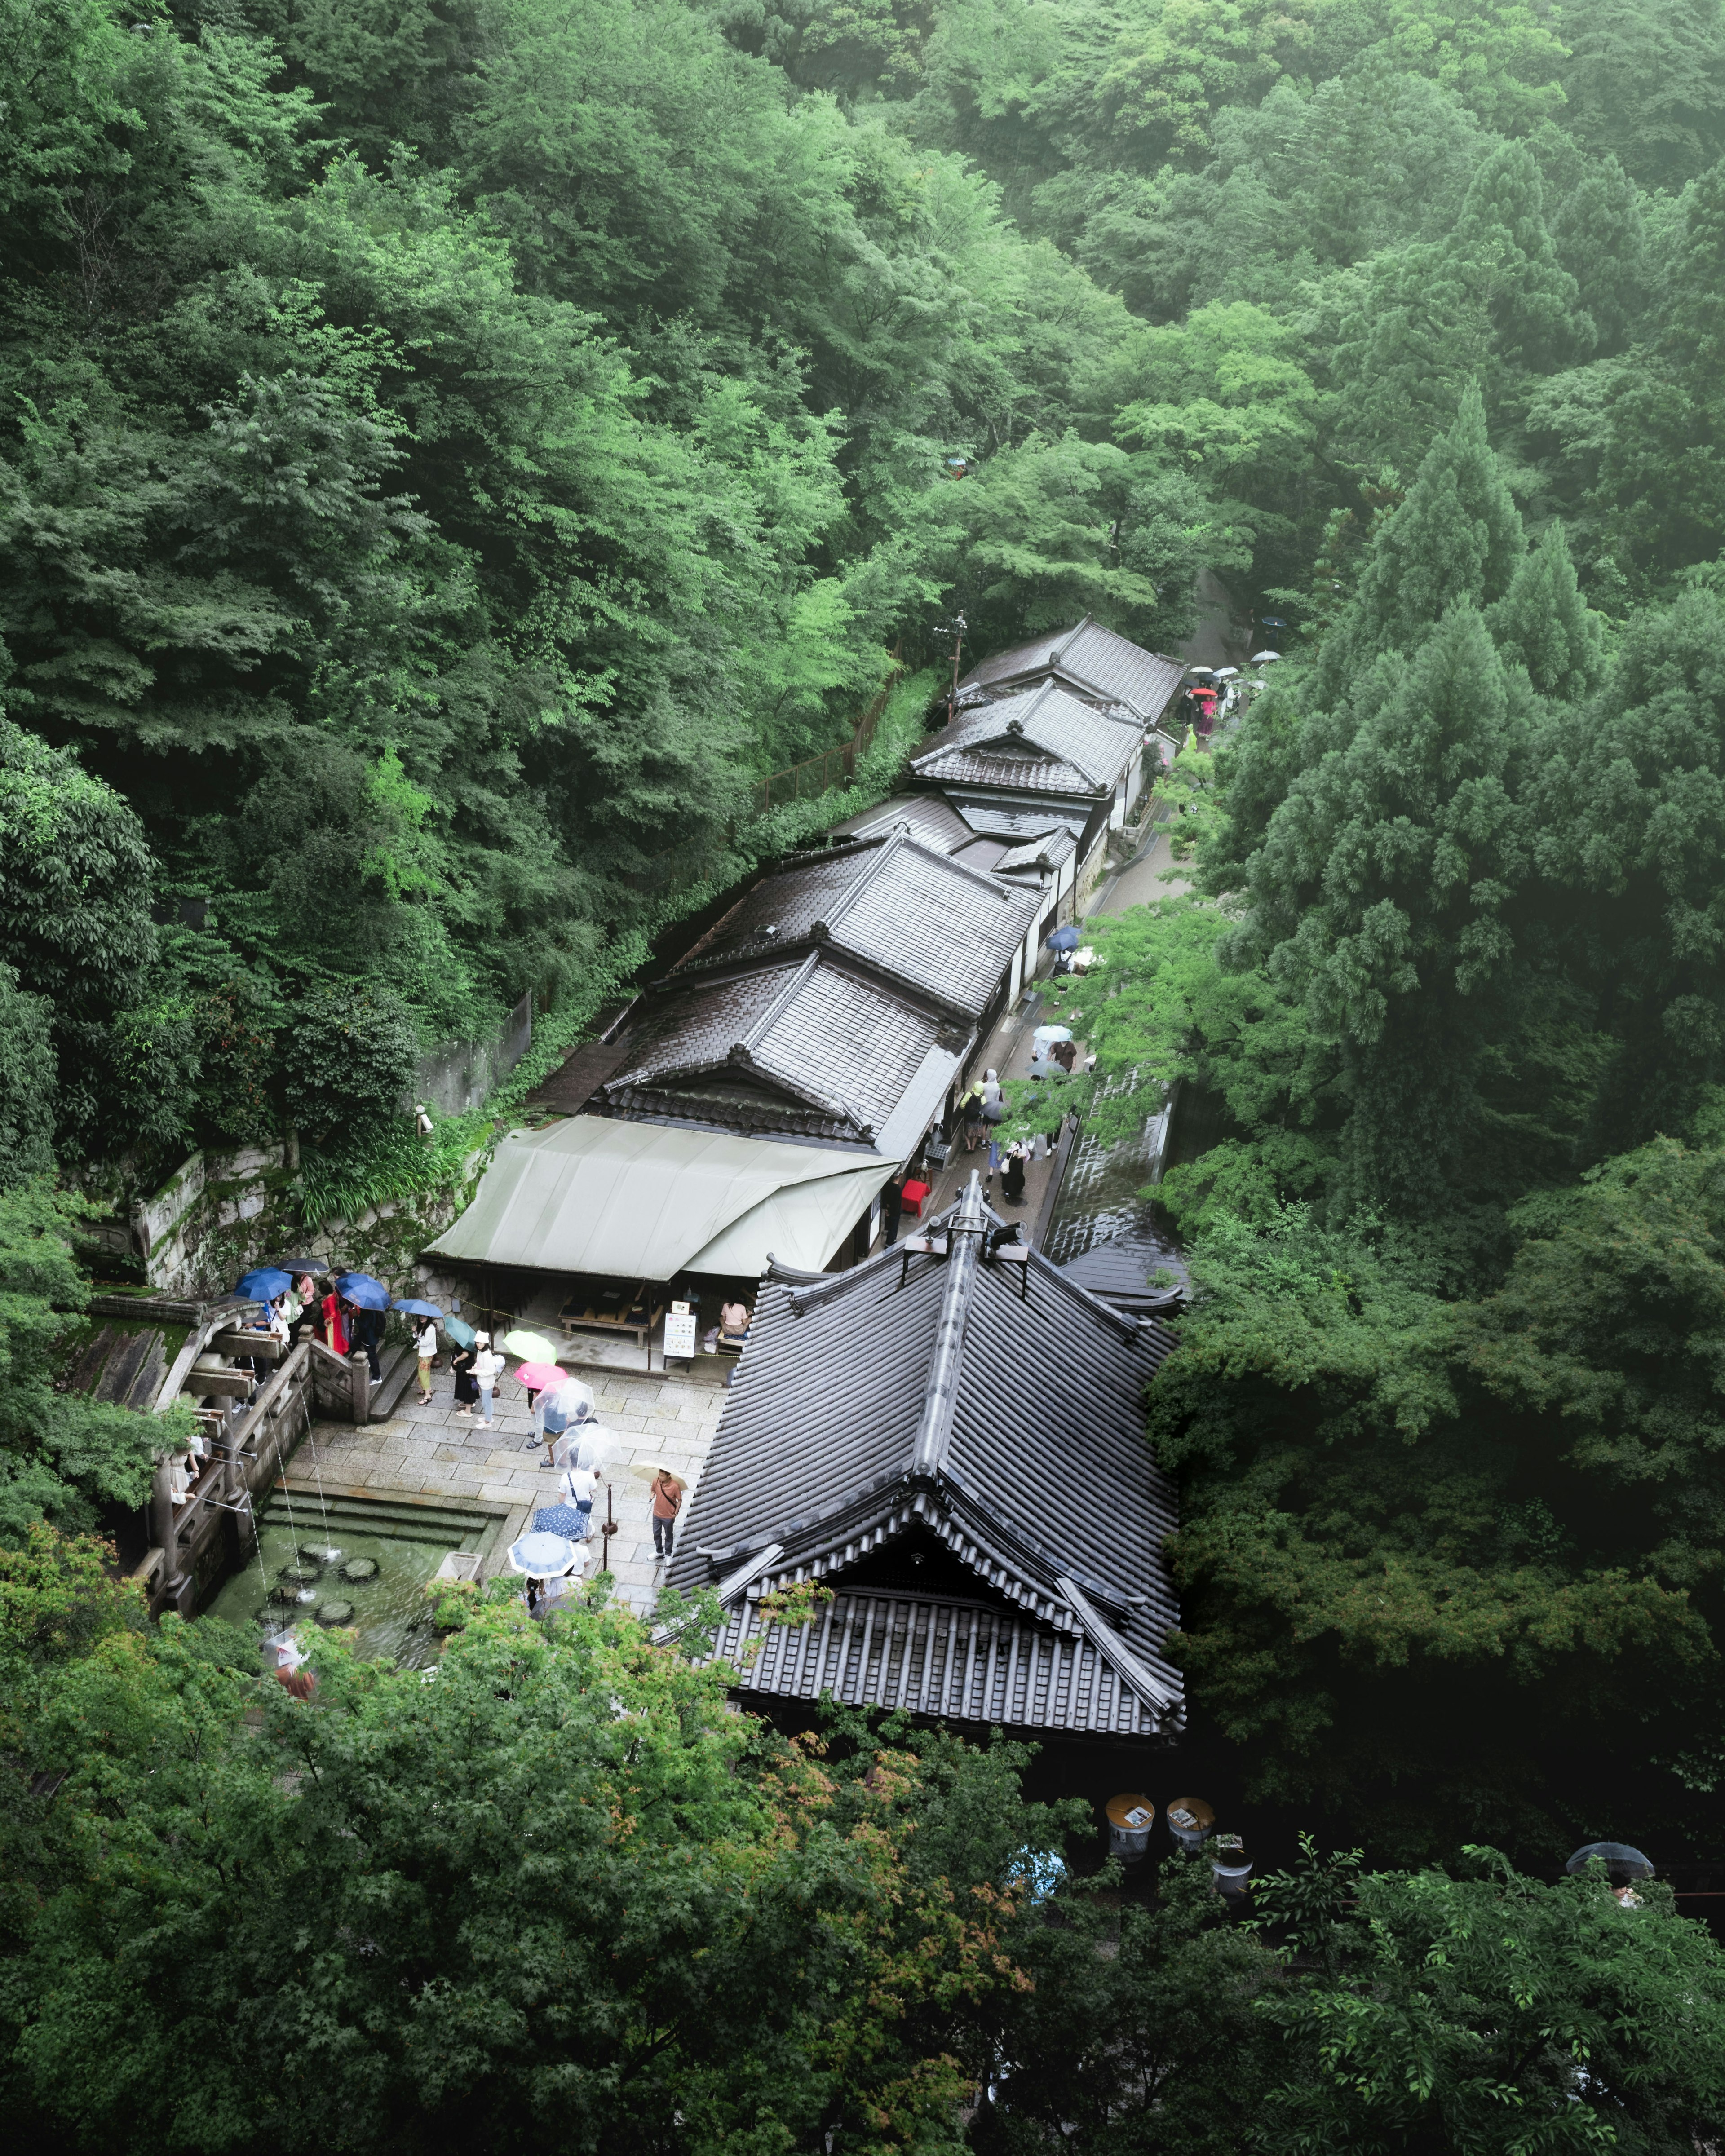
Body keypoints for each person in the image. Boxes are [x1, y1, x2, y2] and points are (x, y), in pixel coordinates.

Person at [650, 1467, 684, 1561]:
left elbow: (680, 1500)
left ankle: (668, 1553)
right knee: (656, 1533)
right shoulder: (656, 1481)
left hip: (668, 1516)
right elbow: (653, 1490)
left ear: (669, 1476)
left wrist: (676, 1513)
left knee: (669, 1535)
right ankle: (659, 1551)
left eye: (662, 1476)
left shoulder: (675, 1486)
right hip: (657, 1513)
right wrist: (652, 1494)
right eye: (659, 1475)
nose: (660, 1477)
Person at [562, 1458, 599, 1540]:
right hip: (584, 1505)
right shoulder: (588, 1475)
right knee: (588, 1521)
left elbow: (562, 1495)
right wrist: (592, 1473)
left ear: (571, 1462)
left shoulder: (565, 1477)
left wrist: (561, 1506)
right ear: (582, 1462)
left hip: (570, 1506)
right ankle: (589, 1535)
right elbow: (594, 1489)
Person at [472, 1332, 503, 1428]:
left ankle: (488, 1421)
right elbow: (479, 1363)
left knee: (486, 1402)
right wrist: (476, 1367)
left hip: (487, 1382)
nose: (479, 1345)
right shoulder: (481, 1352)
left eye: (481, 1343)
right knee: (487, 1400)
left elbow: (490, 1370)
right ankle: (489, 1417)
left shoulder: (486, 1355)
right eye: (478, 1343)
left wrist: (477, 1372)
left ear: (485, 1344)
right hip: (483, 1381)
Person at [451, 1337, 479, 1415]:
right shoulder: (468, 1341)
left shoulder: (461, 1342)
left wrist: (456, 1360)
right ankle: (469, 1403)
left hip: (465, 1369)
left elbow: (465, 1355)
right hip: (469, 1367)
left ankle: (468, 1411)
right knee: (470, 1386)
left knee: (467, 1387)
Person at [320, 1282, 349, 1359]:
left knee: (332, 1339)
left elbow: (333, 1315)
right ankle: (342, 1350)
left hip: (332, 1322)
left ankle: (334, 1356)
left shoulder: (329, 1300)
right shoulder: (334, 1294)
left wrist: (327, 1321)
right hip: (338, 1318)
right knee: (337, 1336)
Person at [414, 1315, 438, 1406]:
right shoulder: (422, 1326)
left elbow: (426, 1342)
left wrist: (417, 1339)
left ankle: (428, 1396)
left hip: (427, 1354)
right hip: (422, 1352)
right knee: (421, 1372)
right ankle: (427, 1389)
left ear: (428, 1318)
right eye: (421, 1316)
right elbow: (418, 1337)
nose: (422, 1318)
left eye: (424, 1316)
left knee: (424, 1373)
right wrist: (415, 1332)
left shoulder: (430, 1329)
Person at [1001, 1140, 1029, 1206]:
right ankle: (1008, 1190)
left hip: (1017, 1164)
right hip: (1010, 1163)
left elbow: (1024, 1156)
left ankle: (1015, 1190)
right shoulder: (1009, 1143)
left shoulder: (1023, 1146)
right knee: (1008, 1176)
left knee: (1016, 1176)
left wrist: (1018, 1155)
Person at [880, 1177, 904, 1248]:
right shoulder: (898, 1189)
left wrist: (887, 1209)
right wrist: (890, 1211)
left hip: (888, 1209)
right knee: (894, 1227)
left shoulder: (887, 1185)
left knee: (889, 1224)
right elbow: (897, 1204)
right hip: (895, 1211)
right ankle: (889, 1243)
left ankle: (891, 1238)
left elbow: (884, 1198)